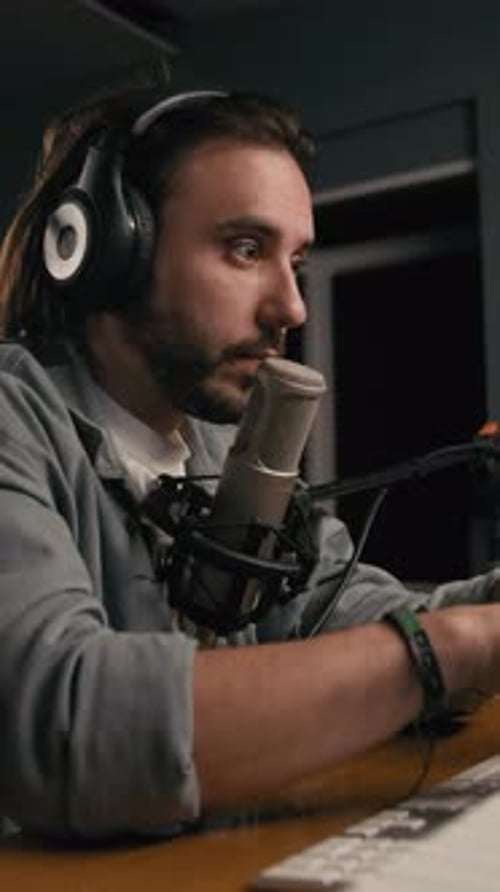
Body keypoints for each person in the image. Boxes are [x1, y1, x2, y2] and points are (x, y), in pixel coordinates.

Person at [0, 84, 499, 841]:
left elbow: (366, 616)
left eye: (296, 259)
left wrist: (485, 611)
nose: (292, 306)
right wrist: (448, 651)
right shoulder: (16, 422)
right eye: (245, 248)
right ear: (111, 251)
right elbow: (66, 730)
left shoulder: (230, 454)